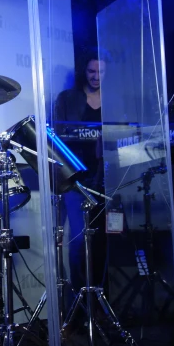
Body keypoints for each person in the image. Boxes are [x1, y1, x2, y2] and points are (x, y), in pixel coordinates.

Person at [53, 48, 109, 294]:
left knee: (103, 240)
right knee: (78, 241)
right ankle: (78, 302)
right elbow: (55, 139)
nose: (96, 76)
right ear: (83, 71)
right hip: (75, 179)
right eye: (92, 71)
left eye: (101, 72)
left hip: (106, 177)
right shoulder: (67, 98)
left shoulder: (114, 100)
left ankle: (100, 299)